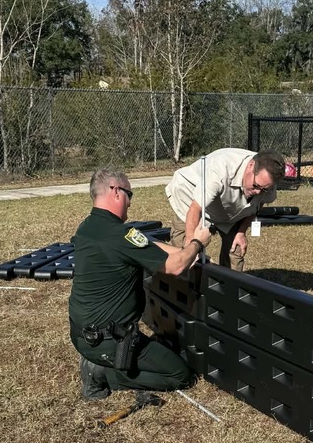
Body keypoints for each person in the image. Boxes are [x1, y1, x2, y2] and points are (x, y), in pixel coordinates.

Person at [69, 167, 211, 401]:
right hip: (108, 341)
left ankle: (98, 361)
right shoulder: (119, 235)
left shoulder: (89, 227)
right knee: (181, 375)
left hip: (81, 334)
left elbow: (149, 246)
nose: (130, 202)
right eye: (129, 194)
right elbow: (175, 267)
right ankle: (102, 374)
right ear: (116, 191)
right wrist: (197, 242)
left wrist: (185, 252)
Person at [165, 149, 286, 272]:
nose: (258, 192)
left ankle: (228, 283)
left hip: (225, 204)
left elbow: (257, 205)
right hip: (190, 197)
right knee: (184, 253)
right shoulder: (221, 169)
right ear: (251, 165)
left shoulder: (267, 180)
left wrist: (241, 232)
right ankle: (185, 281)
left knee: (236, 248)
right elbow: (195, 209)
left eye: (264, 189)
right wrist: (191, 245)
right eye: (256, 186)